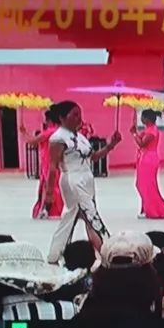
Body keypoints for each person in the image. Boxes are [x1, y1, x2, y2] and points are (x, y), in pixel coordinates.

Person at [44, 101, 121, 264]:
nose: (79, 118)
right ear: (62, 118)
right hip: (73, 179)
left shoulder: (80, 137)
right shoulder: (57, 138)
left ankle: (54, 255)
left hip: (86, 178)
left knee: (72, 218)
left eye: (79, 114)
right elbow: (52, 167)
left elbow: (93, 157)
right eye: (74, 115)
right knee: (91, 215)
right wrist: (49, 193)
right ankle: (109, 252)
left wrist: (111, 145)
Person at [131, 109, 164, 219]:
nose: (141, 119)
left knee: (147, 185)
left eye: (142, 117)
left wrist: (134, 134)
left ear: (147, 119)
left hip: (149, 159)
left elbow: (142, 144)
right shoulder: (149, 129)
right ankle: (146, 208)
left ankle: (150, 209)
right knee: (141, 184)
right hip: (144, 158)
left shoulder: (152, 131)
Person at [20, 110, 64, 219]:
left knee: (48, 186)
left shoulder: (50, 132)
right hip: (55, 162)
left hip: (48, 163)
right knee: (53, 185)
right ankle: (48, 209)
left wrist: (23, 132)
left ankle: (47, 209)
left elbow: (33, 141)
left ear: (50, 120)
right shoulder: (60, 131)